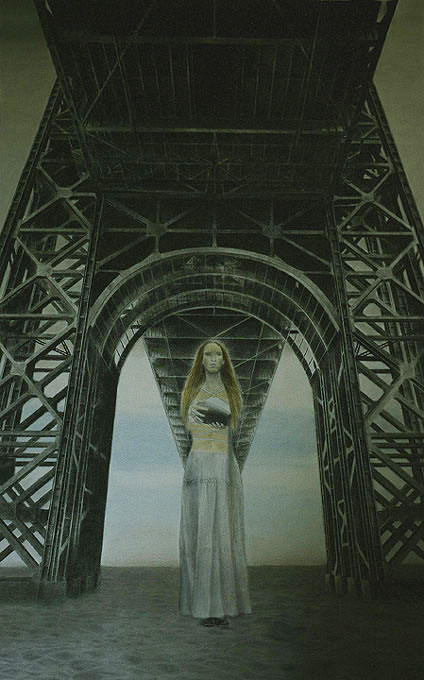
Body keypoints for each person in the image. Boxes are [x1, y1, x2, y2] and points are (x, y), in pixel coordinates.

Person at [179, 339, 252, 627]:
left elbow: (229, 424)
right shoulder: (190, 392)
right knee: (201, 534)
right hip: (199, 466)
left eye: (217, 354)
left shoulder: (232, 392)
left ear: (224, 361)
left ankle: (220, 607)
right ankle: (205, 608)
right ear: (201, 359)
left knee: (222, 533)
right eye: (207, 354)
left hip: (222, 466)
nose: (212, 358)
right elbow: (193, 427)